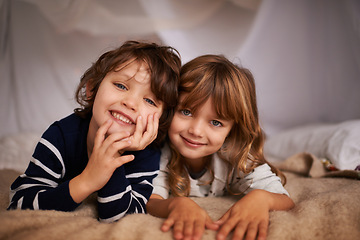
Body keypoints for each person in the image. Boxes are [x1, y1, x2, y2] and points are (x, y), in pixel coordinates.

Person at [8, 40, 181, 223]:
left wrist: (113, 158)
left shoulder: (147, 152)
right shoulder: (61, 136)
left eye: (150, 101)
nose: (130, 103)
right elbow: (18, 204)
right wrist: (87, 180)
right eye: (121, 86)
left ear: (160, 120)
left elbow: (123, 219)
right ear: (92, 89)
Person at [146, 55, 295, 240]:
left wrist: (261, 199)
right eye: (186, 112)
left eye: (216, 122)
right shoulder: (158, 154)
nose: (196, 131)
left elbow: (285, 199)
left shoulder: (236, 157)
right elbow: (151, 201)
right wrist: (176, 204)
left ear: (232, 130)